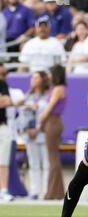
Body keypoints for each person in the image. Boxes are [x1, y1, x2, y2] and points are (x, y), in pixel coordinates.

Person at [18, 71, 50, 200]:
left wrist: (37, 128)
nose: (33, 79)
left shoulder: (48, 95)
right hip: (29, 134)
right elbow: (21, 113)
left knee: (46, 163)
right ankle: (35, 191)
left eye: (36, 77)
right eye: (32, 77)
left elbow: (47, 112)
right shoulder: (28, 95)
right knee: (33, 163)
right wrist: (26, 129)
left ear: (43, 80)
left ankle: (47, 192)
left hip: (43, 132)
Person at [38, 64, 67, 200]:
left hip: (53, 122)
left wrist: (41, 118)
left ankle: (52, 193)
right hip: (55, 122)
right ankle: (56, 192)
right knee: (53, 158)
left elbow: (50, 107)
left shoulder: (58, 89)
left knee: (53, 158)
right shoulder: (61, 88)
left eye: (50, 74)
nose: (48, 77)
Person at [0, 71, 13, 201]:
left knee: (3, 160)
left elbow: (7, 101)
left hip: (2, 125)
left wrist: (3, 100)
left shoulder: (2, 83)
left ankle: (3, 190)